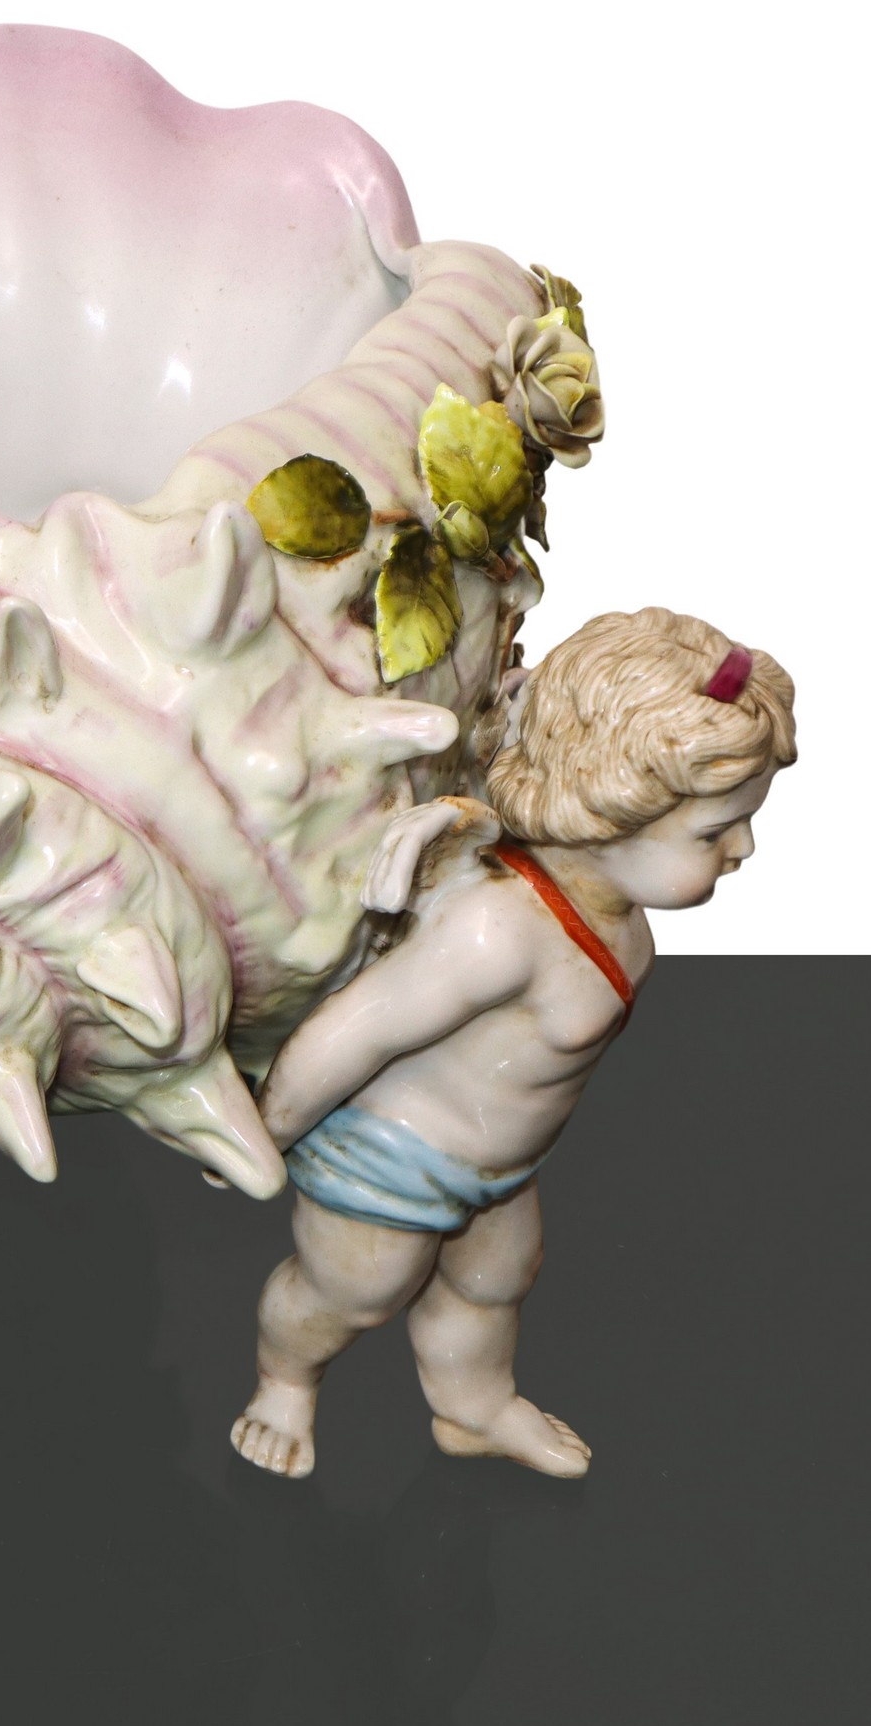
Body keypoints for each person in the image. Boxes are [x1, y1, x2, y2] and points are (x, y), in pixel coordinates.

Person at [232, 608, 796, 1478]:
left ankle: (474, 1406)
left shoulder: (616, 916)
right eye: (714, 830)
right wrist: (260, 1133)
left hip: (501, 1164)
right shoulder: (499, 929)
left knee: (494, 1282)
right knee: (353, 1292)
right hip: (390, 1159)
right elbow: (356, 1030)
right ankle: (284, 1383)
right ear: (610, 812)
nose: (744, 849)